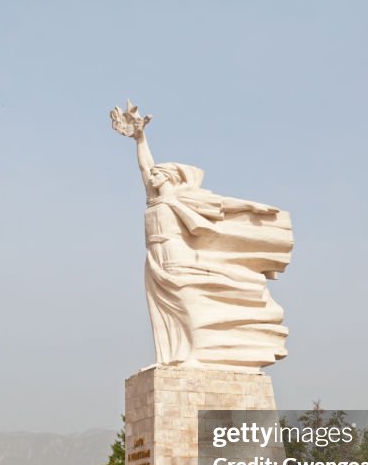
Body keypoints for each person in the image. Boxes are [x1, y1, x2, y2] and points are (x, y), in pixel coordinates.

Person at [112, 103, 294, 370]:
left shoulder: (181, 196)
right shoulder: (154, 201)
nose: (152, 177)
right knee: (164, 311)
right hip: (155, 259)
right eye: (153, 175)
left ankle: (198, 353)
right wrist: (140, 138)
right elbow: (145, 167)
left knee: (189, 304)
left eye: (158, 174)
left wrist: (251, 207)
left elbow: (223, 204)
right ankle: (172, 357)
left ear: (172, 178)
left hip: (176, 254)